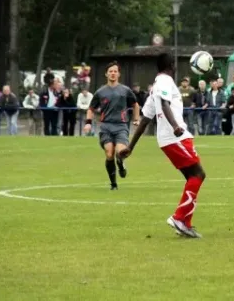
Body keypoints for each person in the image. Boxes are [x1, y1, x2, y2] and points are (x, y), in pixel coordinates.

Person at [118, 53, 205, 239]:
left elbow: (144, 121)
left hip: (169, 139)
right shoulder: (165, 82)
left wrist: (130, 147)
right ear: (171, 66)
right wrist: (175, 126)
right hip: (175, 138)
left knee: (192, 177)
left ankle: (185, 224)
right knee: (198, 174)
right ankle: (179, 218)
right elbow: (165, 104)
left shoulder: (155, 88)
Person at [83, 61, 140, 190]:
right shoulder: (100, 92)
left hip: (121, 126)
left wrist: (136, 119)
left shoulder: (125, 90)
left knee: (120, 152)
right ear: (106, 74)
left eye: (115, 71)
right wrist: (88, 123)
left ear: (119, 74)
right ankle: (113, 184)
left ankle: (120, 163)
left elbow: (135, 105)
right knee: (109, 154)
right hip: (106, 127)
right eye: (110, 71)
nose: (113, 73)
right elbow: (91, 108)